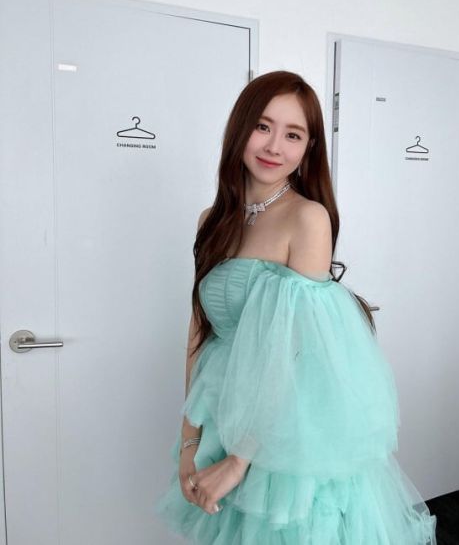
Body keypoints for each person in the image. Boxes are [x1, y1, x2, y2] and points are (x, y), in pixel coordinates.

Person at [155, 70, 437, 543]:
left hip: (282, 429)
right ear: (240, 130)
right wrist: (190, 439)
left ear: (309, 148)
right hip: (221, 410)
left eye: (293, 134)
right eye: (263, 126)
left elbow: (300, 356)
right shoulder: (211, 220)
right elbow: (199, 330)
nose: (274, 146)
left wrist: (240, 459)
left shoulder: (308, 219)